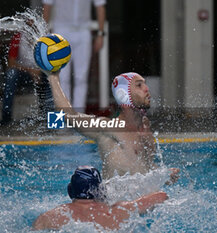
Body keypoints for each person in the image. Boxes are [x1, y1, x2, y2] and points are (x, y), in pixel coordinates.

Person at [46, 71, 180, 180]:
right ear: (123, 95)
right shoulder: (108, 127)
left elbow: (144, 166)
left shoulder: (145, 127)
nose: (147, 89)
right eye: (139, 85)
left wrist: (163, 175)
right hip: (114, 208)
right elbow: (68, 116)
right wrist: (53, 77)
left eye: (144, 84)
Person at [33, 166, 168, 230]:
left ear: (71, 190)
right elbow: (161, 196)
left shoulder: (51, 216)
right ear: (100, 190)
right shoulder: (118, 211)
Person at [42, 0, 106, 111]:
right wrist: (43, 34)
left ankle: (78, 116)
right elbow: (47, 6)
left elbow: (100, 6)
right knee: (62, 77)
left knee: (81, 77)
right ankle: (63, 118)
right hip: (61, 30)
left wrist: (100, 34)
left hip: (83, 30)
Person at [0, 31, 53, 125]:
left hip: (41, 72)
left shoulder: (45, 38)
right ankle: (6, 117)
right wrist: (31, 71)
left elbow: (51, 62)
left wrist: (40, 71)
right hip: (24, 73)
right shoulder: (18, 37)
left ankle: (50, 119)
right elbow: (11, 63)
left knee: (52, 76)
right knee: (11, 74)